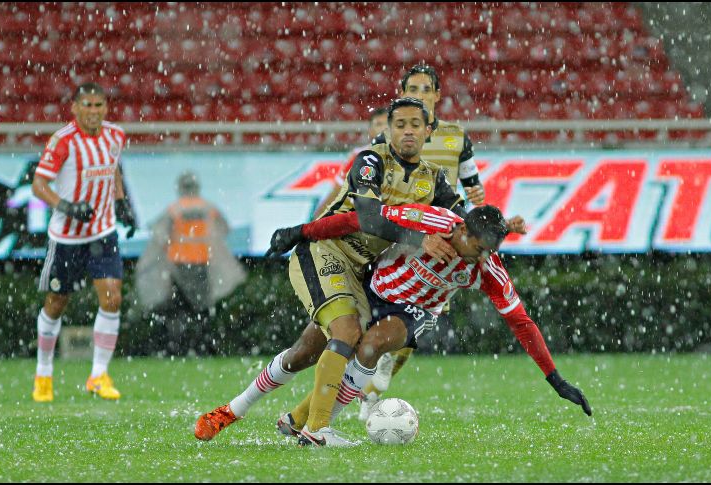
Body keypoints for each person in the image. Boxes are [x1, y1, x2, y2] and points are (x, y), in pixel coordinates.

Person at [195, 97, 465, 446]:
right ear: (388, 129)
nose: (407, 131)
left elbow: (462, 224)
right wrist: (421, 238)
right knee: (347, 332)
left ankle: (242, 412)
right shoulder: (370, 161)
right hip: (326, 251)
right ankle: (317, 430)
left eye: (416, 124)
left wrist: (493, 229)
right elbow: (368, 217)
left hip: (363, 272)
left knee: (307, 352)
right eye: (399, 124)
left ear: (429, 131)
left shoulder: (434, 180)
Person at [284, 204, 592, 428]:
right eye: (480, 248)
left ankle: (320, 428)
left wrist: (555, 379)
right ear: (461, 230)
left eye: (490, 251)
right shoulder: (433, 220)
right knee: (303, 352)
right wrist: (301, 231)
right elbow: (361, 219)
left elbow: (522, 323)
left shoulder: (487, 270)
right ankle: (283, 416)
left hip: (414, 310)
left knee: (369, 346)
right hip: (372, 286)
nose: (483, 257)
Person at [361, 64, 490, 418]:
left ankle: (375, 377)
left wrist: (486, 220)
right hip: (398, 235)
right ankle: (362, 376)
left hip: (442, 239)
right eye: (411, 89)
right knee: (385, 312)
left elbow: (473, 189)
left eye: (424, 89)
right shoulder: (387, 139)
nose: (418, 95)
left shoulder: (457, 137)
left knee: (420, 317)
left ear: (437, 96)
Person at [31, 82, 137, 402]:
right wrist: (67, 207)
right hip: (66, 238)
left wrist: (123, 206)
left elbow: (114, 171)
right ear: (75, 108)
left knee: (112, 298)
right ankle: (44, 373)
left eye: (99, 105)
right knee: (56, 304)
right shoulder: (63, 141)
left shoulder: (115, 135)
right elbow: (39, 184)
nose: (93, 111)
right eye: (87, 105)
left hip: (103, 233)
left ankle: (98, 375)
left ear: (106, 108)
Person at [135, 171, 245, 355]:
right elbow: (224, 228)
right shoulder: (209, 208)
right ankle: (203, 346)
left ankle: (176, 347)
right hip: (201, 263)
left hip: (179, 265)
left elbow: (160, 235)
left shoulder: (174, 209)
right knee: (202, 309)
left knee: (178, 309)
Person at [313, 107, 389, 218]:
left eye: (388, 124)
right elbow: (337, 192)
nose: (384, 128)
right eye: (379, 124)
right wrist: (316, 220)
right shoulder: (359, 156)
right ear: (370, 131)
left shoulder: (409, 155)